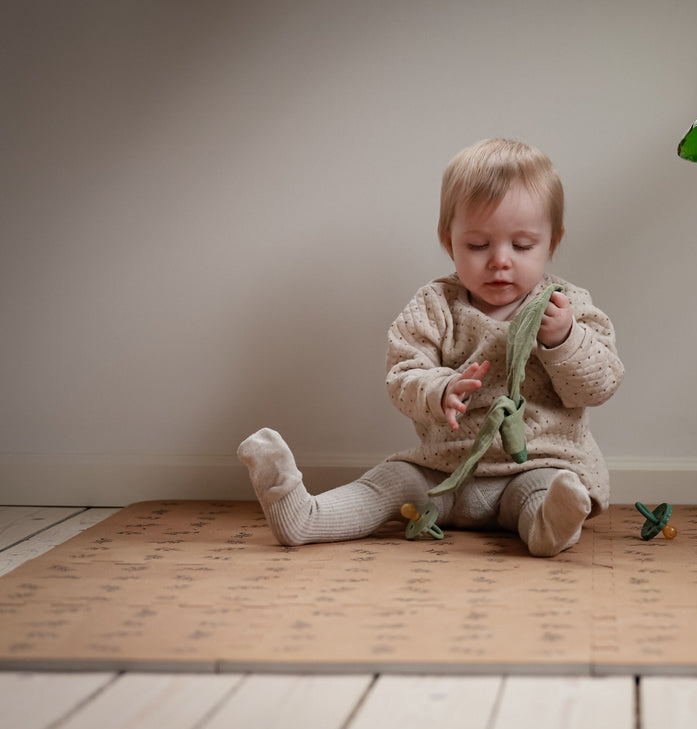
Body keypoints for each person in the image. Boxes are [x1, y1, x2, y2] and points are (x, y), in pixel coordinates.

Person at [238, 139, 624, 556]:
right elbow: (403, 375)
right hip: (443, 470)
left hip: (532, 466)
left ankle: (550, 525)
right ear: (449, 240)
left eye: (522, 245)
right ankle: (305, 515)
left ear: (552, 242)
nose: (499, 260)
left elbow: (598, 386)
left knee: (544, 492)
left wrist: (565, 340)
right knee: (390, 481)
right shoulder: (434, 305)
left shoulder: (567, 305)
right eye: (478, 245)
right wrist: (441, 389)